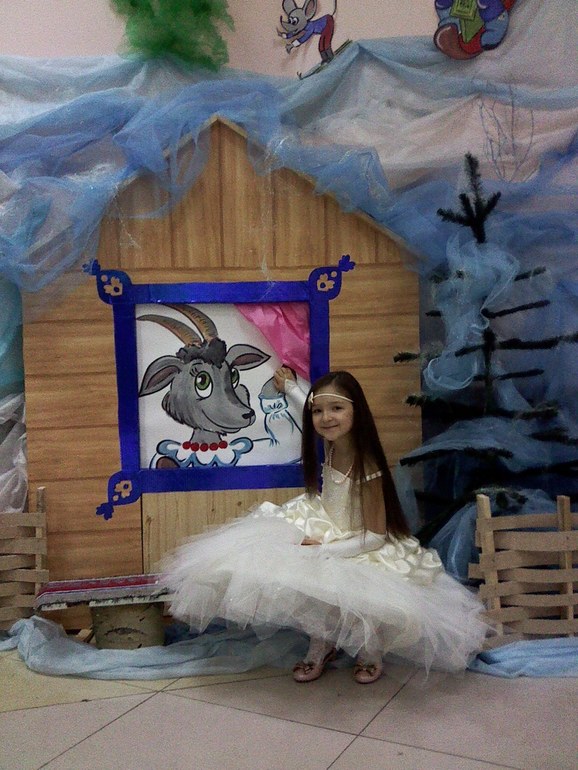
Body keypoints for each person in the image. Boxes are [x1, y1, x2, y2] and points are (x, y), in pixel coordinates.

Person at [164, 370, 489, 684]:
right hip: (325, 521)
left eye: (337, 409)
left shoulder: (367, 464)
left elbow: (375, 536)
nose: (326, 418)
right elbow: (310, 406)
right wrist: (291, 388)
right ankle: (322, 641)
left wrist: (324, 549)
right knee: (301, 577)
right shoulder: (334, 441)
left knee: (356, 588)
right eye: (319, 411)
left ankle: (370, 649)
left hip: (361, 541)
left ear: (356, 412)